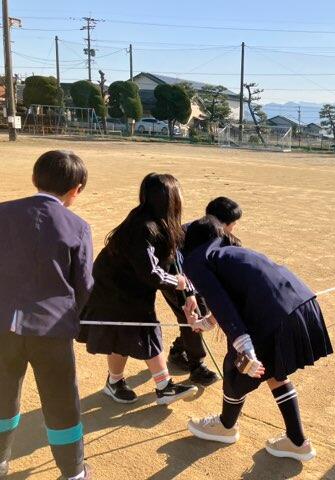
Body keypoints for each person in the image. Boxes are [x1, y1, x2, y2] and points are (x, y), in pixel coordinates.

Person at [181, 216, 333, 461]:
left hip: (272, 315)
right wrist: (205, 323)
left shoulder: (196, 259)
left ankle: (225, 426)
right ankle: (297, 441)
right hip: (301, 304)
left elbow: (223, 305)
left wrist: (245, 348)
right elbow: (228, 299)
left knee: (236, 369)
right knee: (273, 371)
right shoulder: (227, 251)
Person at [0, 151, 93, 479]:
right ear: (76, 189)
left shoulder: (2, 213)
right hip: (52, 329)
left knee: (2, 395)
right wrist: (75, 320)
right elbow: (84, 284)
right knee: (61, 402)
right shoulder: (77, 226)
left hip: (1, 327)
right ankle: (73, 471)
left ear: (34, 178)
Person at [77, 173, 197, 405]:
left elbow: (173, 260)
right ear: (169, 198)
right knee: (144, 330)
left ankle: (115, 382)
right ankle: (164, 386)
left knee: (124, 334)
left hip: (129, 289)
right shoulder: (143, 227)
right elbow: (151, 272)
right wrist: (177, 283)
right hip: (112, 289)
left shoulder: (160, 223)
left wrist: (188, 292)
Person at [166, 197, 243, 383]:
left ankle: (179, 349)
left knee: (198, 314)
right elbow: (177, 266)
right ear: (221, 224)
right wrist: (189, 294)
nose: (234, 227)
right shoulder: (186, 234)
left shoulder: (220, 238)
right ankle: (197, 366)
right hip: (175, 279)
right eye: (233, 223)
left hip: (193, 279)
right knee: (193, 314)